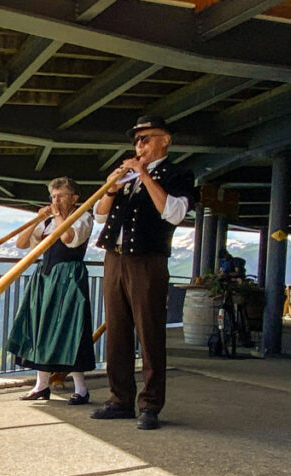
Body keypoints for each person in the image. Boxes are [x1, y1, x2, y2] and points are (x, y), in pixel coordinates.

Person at [92, 115, 195, 430]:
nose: (140, 146)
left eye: (146, 139)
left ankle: (150, 405)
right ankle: (120, 399)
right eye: (137, 141)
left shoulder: (177, 174)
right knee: (118, 333)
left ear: (165, 140)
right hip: (115, 257)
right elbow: (98, 216)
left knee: (149, 333)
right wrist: (112, 187)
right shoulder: (126, 177)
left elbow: (174, 213)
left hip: (147, 260)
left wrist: (145, 176)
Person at [7, 177, 96, 405]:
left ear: (74, 198)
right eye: (53, 196)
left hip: (69, 279)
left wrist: (56, 215)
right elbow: (21, 244)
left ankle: (81, 388)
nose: (56, 200)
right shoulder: (47, 222)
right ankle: (41, 385)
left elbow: (69, 239)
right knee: (40, 327)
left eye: (62, 196)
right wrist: (37, 219)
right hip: (46, 277)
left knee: (71, 329)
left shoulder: (83, 216)